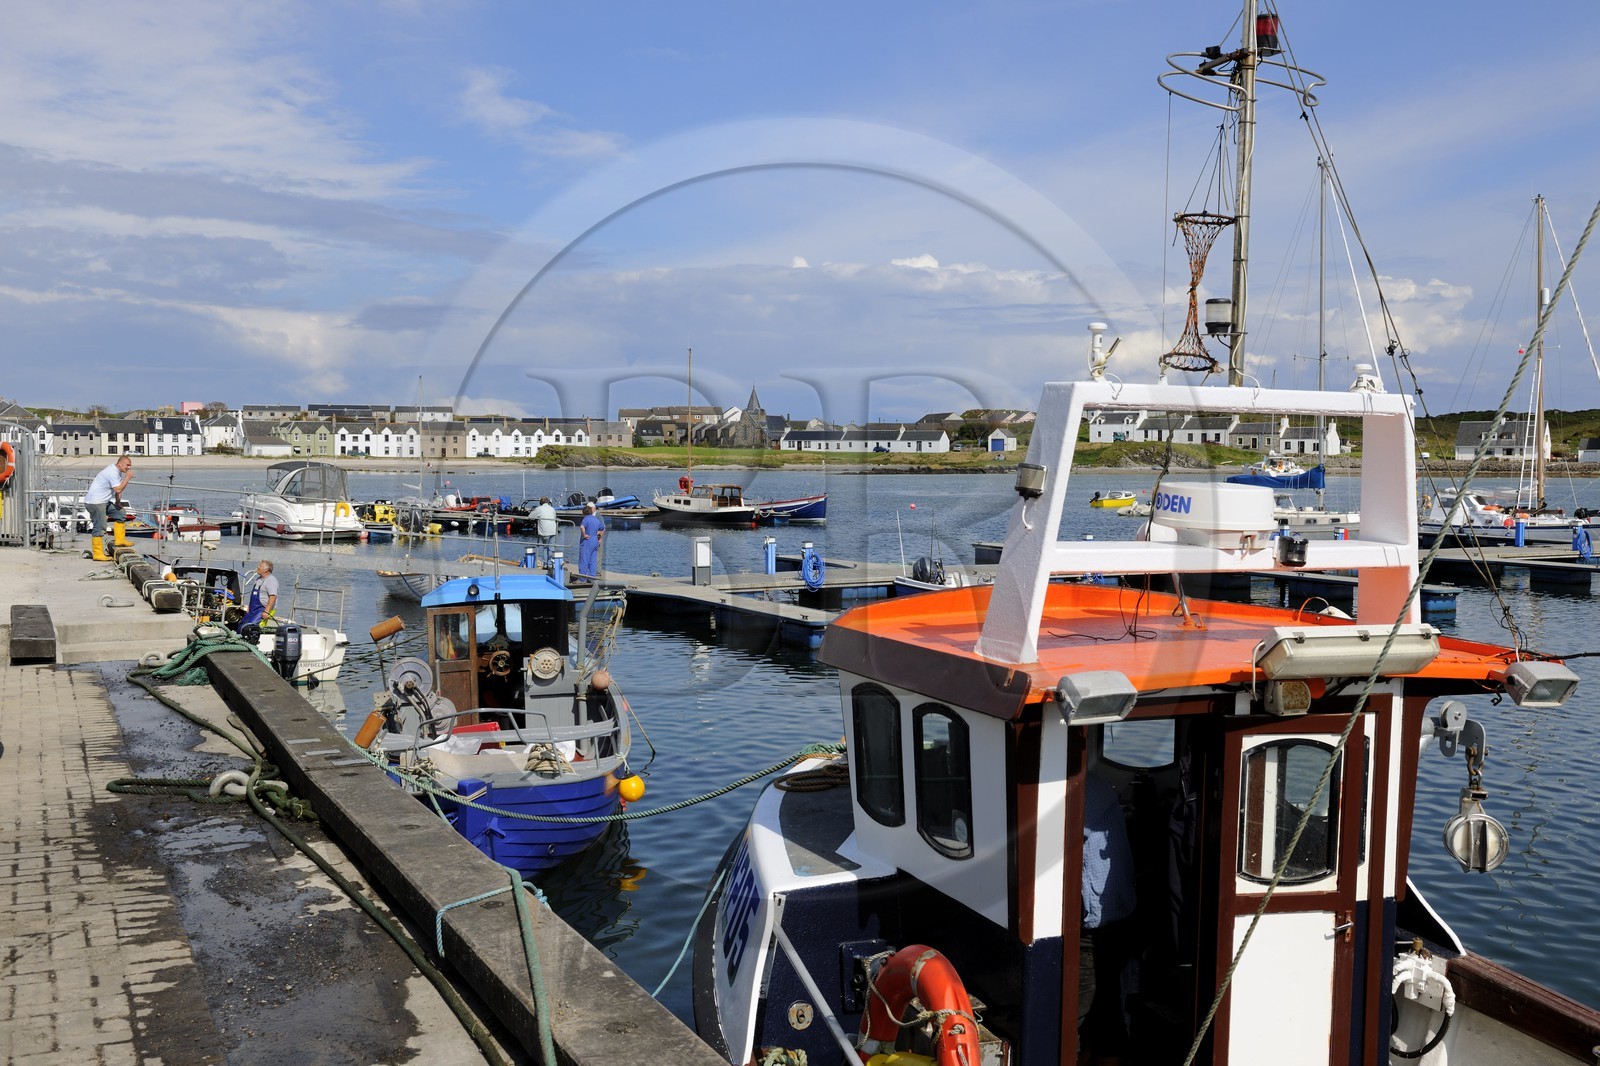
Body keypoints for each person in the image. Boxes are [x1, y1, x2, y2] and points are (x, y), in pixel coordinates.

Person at [1080, 772, 1137, 1065]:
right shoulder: (1094, 785)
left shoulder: (1086, 789)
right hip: (1108, 915)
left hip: (1103, 920)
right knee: (1104, 1004)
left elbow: (1059, 838)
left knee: (1090, 1005)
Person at [83, 454, 134, 560]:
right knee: (100, 526)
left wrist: (118, 503)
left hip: (103, 501)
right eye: (127, 465)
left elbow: (118, 490)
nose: (129, 467)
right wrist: (127, 478)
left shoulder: (117, 472)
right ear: (120, 464)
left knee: (120, 513)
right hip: (95, 502)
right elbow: (118, 489)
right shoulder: (112, 472)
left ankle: (120, 540)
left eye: (130, 466)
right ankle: (98, 554)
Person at [238, 560, 279, 629]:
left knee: (250, 627)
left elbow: (273, 597)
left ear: (266, 569)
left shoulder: (271, 580)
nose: (258, 567)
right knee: (241, 625)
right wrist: (249, 607)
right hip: (253, 609)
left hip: (262, 609)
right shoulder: (258, 579)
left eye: (260, 566)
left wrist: (266, 611)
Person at [577, 503, 605, 578]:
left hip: (587, 540)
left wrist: (584, 535)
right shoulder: (596, 519)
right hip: (595, 539)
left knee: (584, 559)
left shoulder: (585, 519)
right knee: (593, 560)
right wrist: (599, 536)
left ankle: (582, 578)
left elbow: (582, 527)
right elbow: (602, 528)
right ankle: (592, 577)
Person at [531, 496, 558, 567]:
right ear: (548, 502)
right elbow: (555, 518)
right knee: (551, 547)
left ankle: (546, 564)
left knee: (545, 547)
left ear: (540, 502)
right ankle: (550, 563)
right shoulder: (552, 509)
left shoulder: (539, 509)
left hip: (545, 532)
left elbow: (530, 516)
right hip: (553, 531)